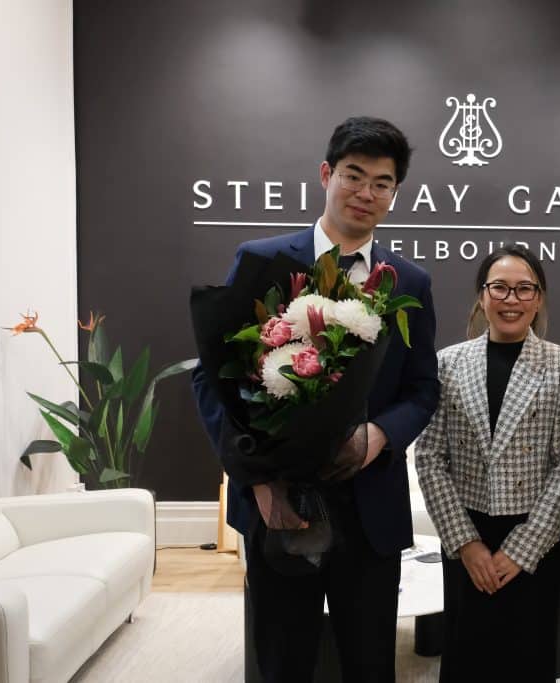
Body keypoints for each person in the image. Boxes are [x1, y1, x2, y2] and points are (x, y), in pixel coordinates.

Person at [191, 116, 439, 683]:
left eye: (382, 183)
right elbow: (212, 379)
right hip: (278, 502)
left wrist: (379, 435)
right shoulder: (260, 261)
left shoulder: (409, 282)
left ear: (395, 193)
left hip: (369, 505)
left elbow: (423, 388)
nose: (365, 193)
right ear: (327, 174)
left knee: (370, 662)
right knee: (283, 662)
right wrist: (257, 480)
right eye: (354, 176)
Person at [414, 245, 560, 682]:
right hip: (467, 532)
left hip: (534, 537)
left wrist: (521, 550)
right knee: (466, 651)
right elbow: (431, 457)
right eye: (500, 288)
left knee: (527, 653)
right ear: (482, 296)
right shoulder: (449, 363)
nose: (511, 299)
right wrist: (467, 545)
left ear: (539, 297)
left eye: (524, 289)